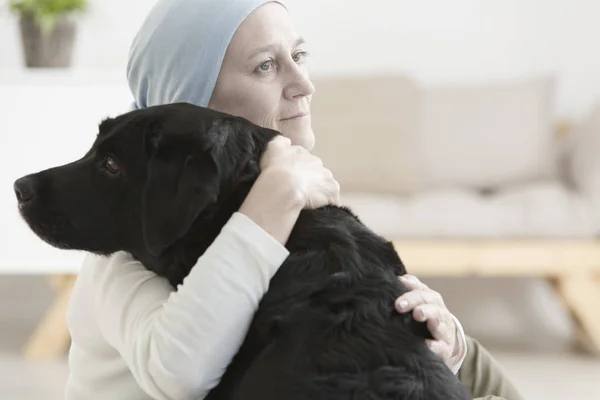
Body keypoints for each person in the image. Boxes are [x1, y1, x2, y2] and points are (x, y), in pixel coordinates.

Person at [64, 1, 524, 399]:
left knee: (467, 356)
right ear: (193, 104)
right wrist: (277, 194)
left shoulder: (278, 199)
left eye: (300, 55)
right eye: (266, 65)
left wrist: (437, 338)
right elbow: (180, 369)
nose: (304, 82)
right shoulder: (125, 252)